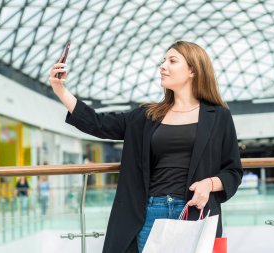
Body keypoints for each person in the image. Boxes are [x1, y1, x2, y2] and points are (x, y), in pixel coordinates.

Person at [49, 41, 243, 253]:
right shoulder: (146, 116)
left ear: (193, 70)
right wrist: (60, 90)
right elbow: (98, 123)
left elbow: (233, 170)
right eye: (163, 60)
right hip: (151, 212)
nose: (162, 66)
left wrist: (210, 183)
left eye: (172, 60)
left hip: (194, 212)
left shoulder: (218, 116)